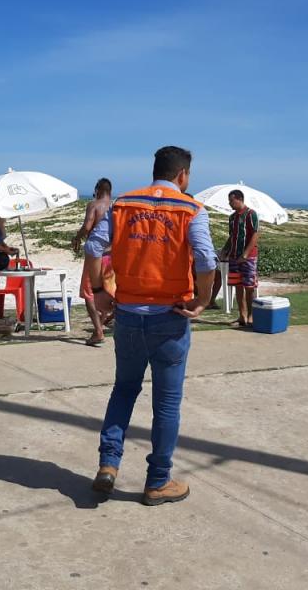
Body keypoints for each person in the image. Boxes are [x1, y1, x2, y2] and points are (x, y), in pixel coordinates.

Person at [85, 146, 216, 506]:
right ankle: (157, 481)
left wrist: (99, 291)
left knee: (124, 390)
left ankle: (108, 464)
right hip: (169, 318)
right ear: (183, 175)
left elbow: (93, 247)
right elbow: (206, 259)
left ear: (155, 170)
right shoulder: (191, 209)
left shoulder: (124, 204)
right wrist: (203, 299)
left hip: (128, 315)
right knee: (167, 403)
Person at [71, 178, 114, 346]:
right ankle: (100, 326)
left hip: (95, 255)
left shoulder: (94, 205)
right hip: (111, 255)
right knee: (107, 291)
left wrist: (77, 238)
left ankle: (98, 331)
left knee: (88, 293)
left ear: (97, 190)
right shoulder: (115, 207)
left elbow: (88, 226)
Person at [220, 189, 259, 327]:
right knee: (238, 286)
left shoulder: (251, 214)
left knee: (249, 286)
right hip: (234, 256)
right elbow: (232, 236)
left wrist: (245, 254)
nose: (230, 203)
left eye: (231, 200)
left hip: (248, 257)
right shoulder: (232, 217)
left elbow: (255, 235)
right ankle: (242, 316)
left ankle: (251, 315)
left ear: (239, 199)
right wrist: (225, 250)